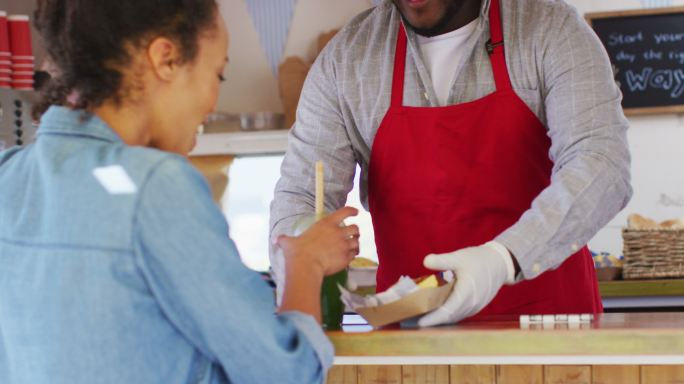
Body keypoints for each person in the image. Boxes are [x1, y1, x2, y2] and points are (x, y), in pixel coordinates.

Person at [0, 1, 360, 383]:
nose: (212, 103)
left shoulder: (9, 174)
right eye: (218, 75)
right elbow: (285, 373)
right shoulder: (154, 184)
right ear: (166, 59)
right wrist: (305, 264)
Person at [270, 0, 632, 327]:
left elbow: (601, 163)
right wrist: (298, 280)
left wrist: (501, 260)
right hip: (410, 339)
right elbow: (300, 194)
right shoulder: (347, 58)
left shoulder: (551, 29)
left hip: (547, 330)